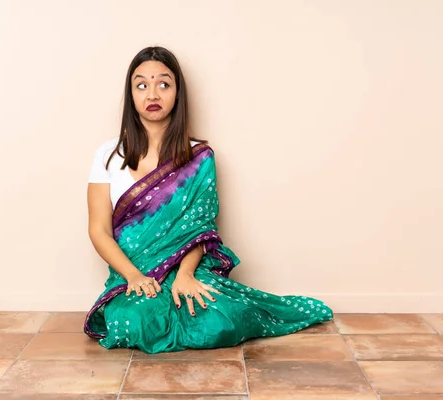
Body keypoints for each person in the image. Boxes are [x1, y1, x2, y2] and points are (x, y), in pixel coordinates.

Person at [84, 46, 333, 353]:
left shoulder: (199, 157)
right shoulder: (108, 155)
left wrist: (186, 274)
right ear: (131, 93)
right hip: (132, 273)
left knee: (219, 322)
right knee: (131, 322)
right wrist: (134, 276)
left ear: (178, 93)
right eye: (141, 85)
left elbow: (200, 230)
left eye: (164, 84)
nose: (152, 94)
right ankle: (144, 302)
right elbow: (99, 231)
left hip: (187, 266)